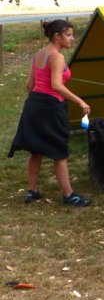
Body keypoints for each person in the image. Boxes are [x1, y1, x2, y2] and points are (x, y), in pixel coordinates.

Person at [8, 20, 92, 206]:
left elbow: (29, 85)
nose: (72, 39)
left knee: (36, 150)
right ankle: (69, 195)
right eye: (69, 35)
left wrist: (35, 105)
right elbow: (56, 85)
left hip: (33, 105)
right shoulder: (57, 56)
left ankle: (32, 190)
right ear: (57, 36)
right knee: (59, 152)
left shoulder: (38, 54)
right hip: (51, 106)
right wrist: (80, 101)